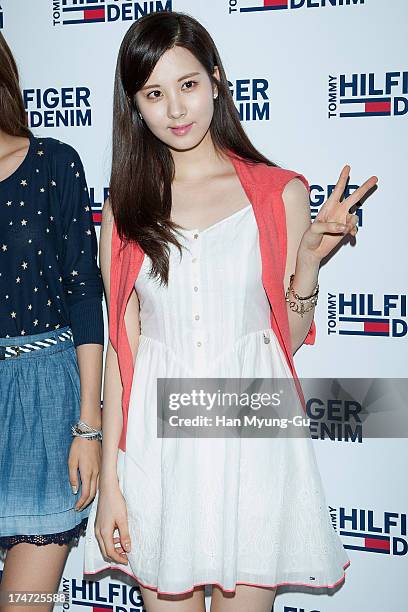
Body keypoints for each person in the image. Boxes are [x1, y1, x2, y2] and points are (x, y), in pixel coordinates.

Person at [83, 10, 377, 612]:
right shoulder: (126, 209)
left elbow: (285, 341)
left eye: (188, 84)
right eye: (154, 94)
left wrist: (309, 265)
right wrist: (110, 482)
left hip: (254, 437)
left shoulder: (278, 192)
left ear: (216, 80)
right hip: (157, 448)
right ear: (135, 105)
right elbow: (122, 349)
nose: (176, 109)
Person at [0, 32, 104, 610]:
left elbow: (85, 295)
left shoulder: (53, 163)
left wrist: (86, 428)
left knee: (21, 604)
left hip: (44, 405)